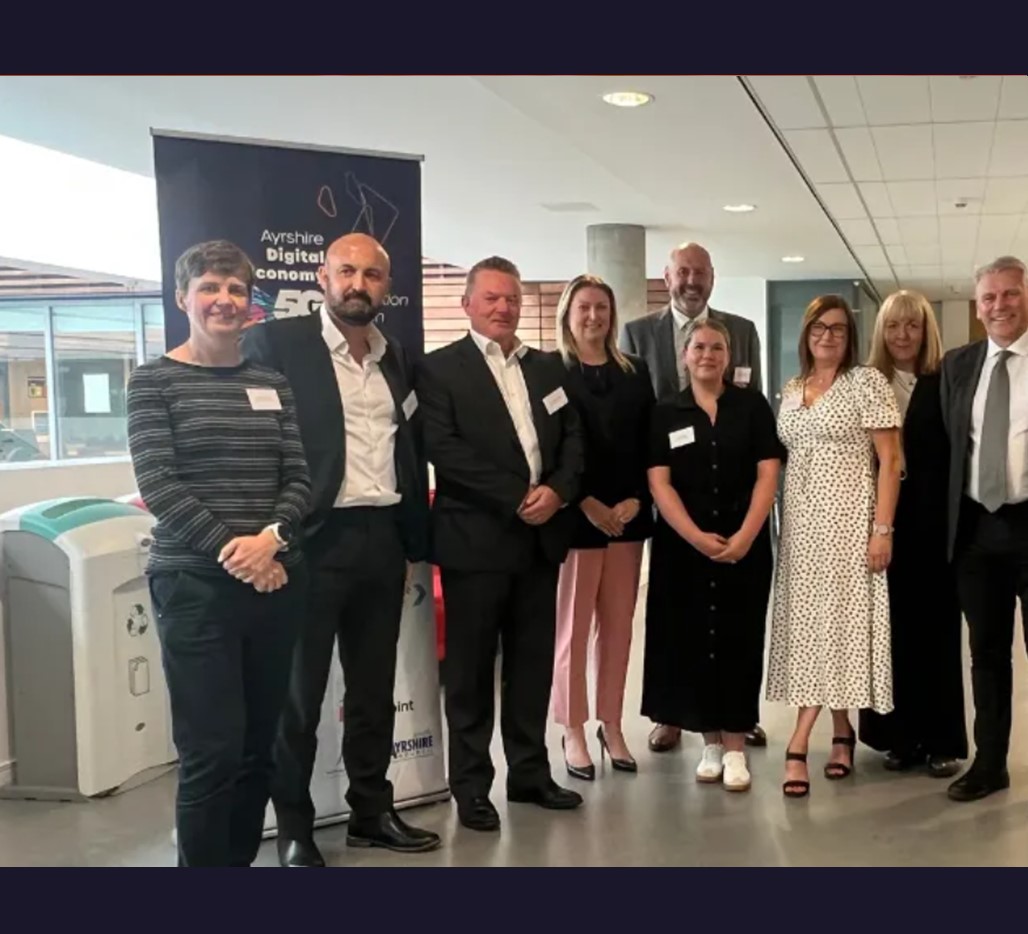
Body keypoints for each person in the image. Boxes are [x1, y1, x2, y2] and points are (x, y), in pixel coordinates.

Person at [241, 232, 440, 865]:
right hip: (308, 542)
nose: (359, 284)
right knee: (299, 699)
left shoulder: (395, 356)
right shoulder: (277, 344)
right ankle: (294, 828)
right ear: (323, 279)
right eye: (347, 271)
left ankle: (371, 813)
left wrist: (411, 538)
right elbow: (257, 444)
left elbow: (408, 448)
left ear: (387, 287)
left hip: (381, 540)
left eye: (372, 274)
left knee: (374, 692)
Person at [126, 240, 311, 867]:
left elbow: (299, 477)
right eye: (209, 287)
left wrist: (271, 540)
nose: (224, 300)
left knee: (258, 748)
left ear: (250, 303)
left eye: (236, 289)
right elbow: (159, 484)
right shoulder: (153, 381)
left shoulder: (271, 383)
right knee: (212, 751)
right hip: (195, 586)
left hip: (275, 581)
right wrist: (239, 553)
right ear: (183, 297)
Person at [417, 255, 586, 832]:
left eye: (511, 298)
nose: (503, 307)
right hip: (476, 542)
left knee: (531, 666)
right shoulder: (440, 369)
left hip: (541, 540)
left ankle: (530, 774)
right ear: (466, 304)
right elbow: (444, 449)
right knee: (469, 674)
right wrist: (518, 495)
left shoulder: (548, 367)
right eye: (491, 297)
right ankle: (470, 787)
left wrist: (558, 491)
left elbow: (574, 439)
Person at [619, 240, 767, 752]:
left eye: (699, 272)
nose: (691, 280)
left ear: (712, 277)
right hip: (673, 495)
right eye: (682, 271)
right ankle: (671, 716)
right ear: (667, 277)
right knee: (675, 618)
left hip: (732, 491)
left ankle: (737, 714)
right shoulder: (637, 334)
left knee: (736, 620)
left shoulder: (741, 331)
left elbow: (750, 404)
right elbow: (637, 415)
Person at [766, 294, 902, 798]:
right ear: (806, 334)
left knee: (839, 627)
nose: (828, 336)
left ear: (850, 337)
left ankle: (799, 741)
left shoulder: (867, 382)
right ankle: (842, 731)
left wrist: (882, 530)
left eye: (839, 329)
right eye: (819, 327)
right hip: (800, 532)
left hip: (849, 527)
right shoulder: (792, 388)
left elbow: (891, 461)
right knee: (813, 629)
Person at [644, 318, 782, 792]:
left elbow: (768, 473)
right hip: (684, 549)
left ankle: (737, 745)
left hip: (746, 544)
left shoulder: (752, 406)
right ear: (685, 355)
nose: (708, 355)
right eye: (699, 347)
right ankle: (710, 743)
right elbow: (659, 483)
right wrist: (696, 538)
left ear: (728, 356)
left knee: (740, 638)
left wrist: (745, 536)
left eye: (717, 347)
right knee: (694, 640)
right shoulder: (666, 411)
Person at [858, 290, 967, 778]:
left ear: (927, 331)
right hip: (879, 526)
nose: (902, 335)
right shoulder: (867, 383)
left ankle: (941, 740)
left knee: (936, 634)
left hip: (932, 526)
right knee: (889, 635)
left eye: (912, 325)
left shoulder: (944, 382)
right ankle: (898, 738)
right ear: (881, 331)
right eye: (893, 326)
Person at [550, 274, 655, 780]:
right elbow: (548, 446)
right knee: (572, 631)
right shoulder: (550, 371)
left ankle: (611, 723)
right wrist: (586, 502)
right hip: (576, 518)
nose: (593, 317)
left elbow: (649, 441)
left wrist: (636, 498)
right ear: (568, 314)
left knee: (617, 630)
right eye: (584, 308)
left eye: (602, 308)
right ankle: (572, 728)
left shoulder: (635, 371)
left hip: (626, 519)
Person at [940, 255, 1028, 802]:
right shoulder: (958, 365)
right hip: (976, 530)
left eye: (1010, 293)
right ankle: (989, 764)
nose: (1000, 305)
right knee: (987, 655)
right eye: (989, 297)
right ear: (977, 308)